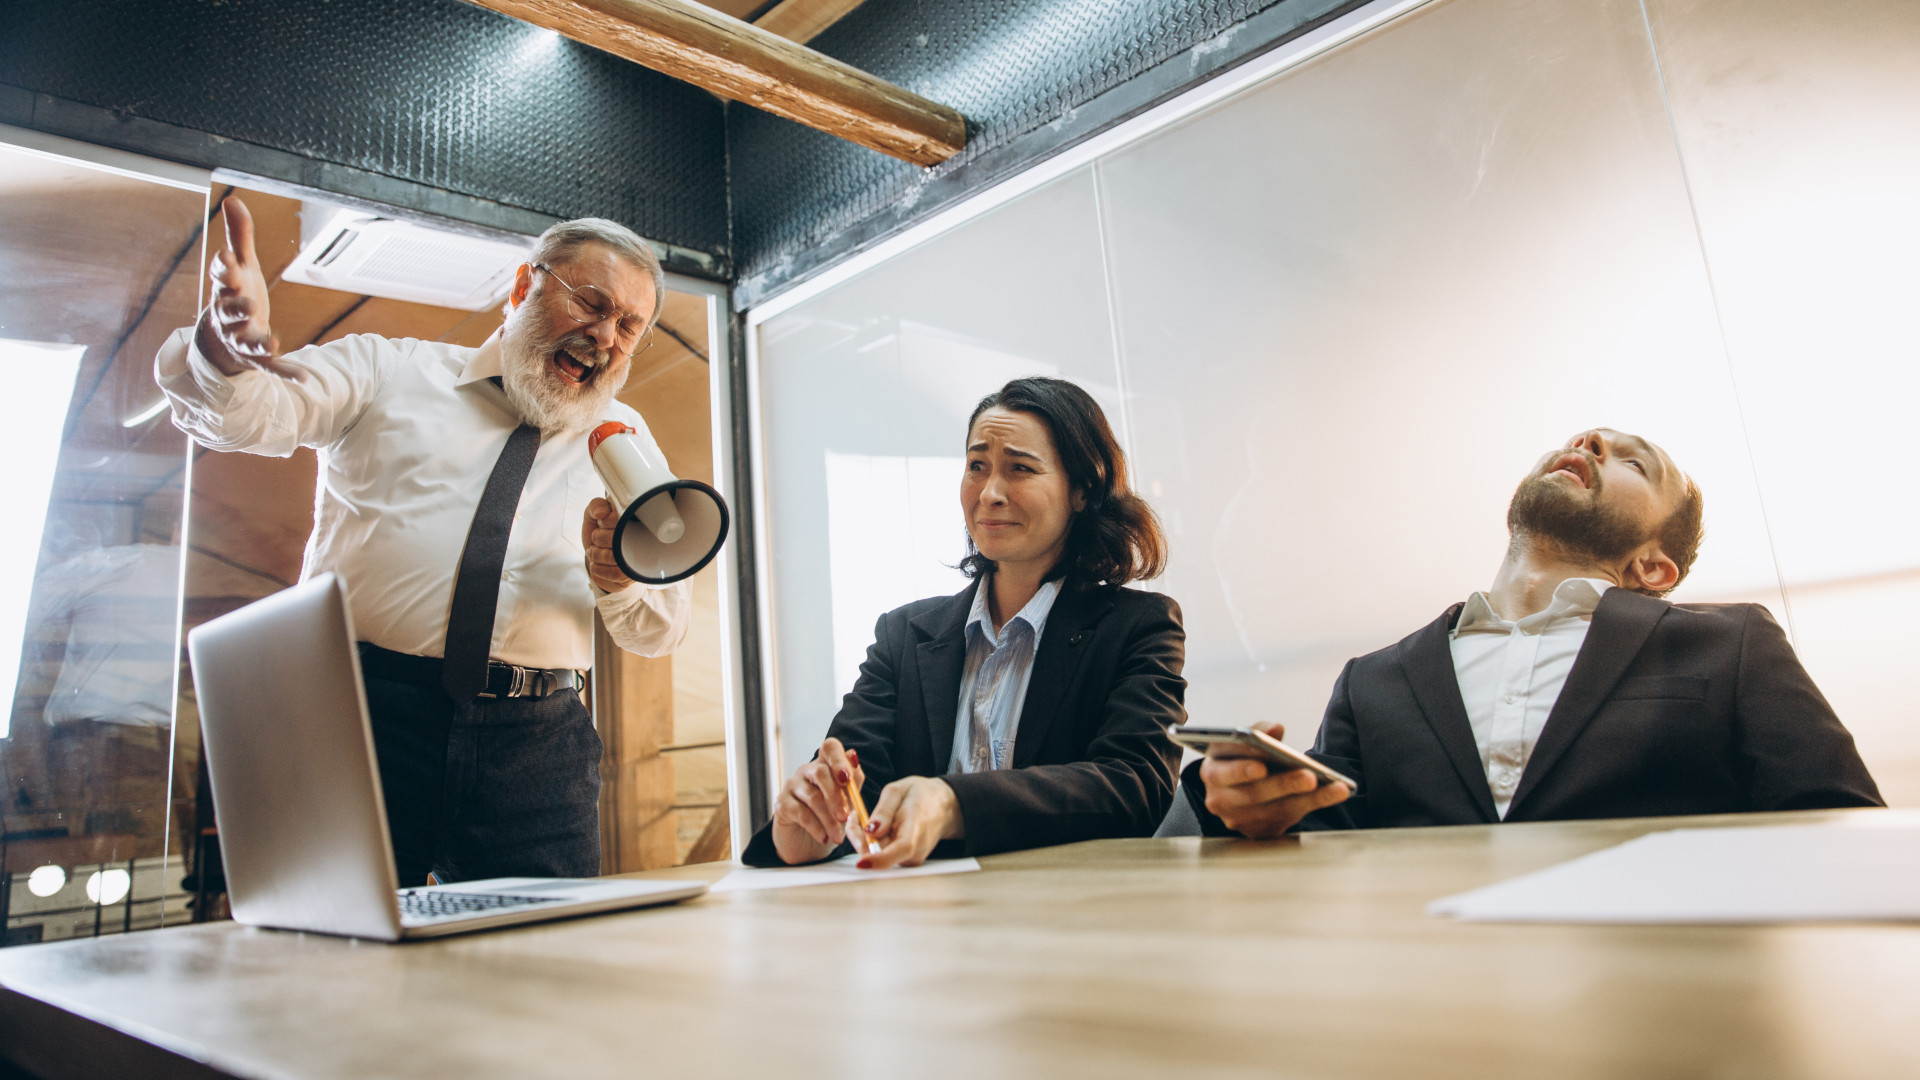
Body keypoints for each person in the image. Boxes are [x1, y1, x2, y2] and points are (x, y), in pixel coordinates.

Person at [157, 198, 693, 884]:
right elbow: (249, 416)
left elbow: (661, 630)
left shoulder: (625, 437)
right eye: (591, 303)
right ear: (525, 287)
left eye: (629, 326)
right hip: (362, 721)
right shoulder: (388, 372)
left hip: (539, 749)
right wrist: (225, 357)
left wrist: (620, 580)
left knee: (541, 971)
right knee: (337, 955)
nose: (605, 337)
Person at [1166, 428, 1882, 839]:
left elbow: (1842, 830)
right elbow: (1321, 837)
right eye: (1585, 439)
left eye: (1633, 462)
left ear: (1653, 567)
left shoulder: (1732, 644)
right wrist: (1246, 801)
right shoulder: (1373, 678)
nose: (1591, 441)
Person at [743, 378, 1186, 868]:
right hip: (930, 926)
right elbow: (852, 791)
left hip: (1071, 919)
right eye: (977, 466)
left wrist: (954, 803)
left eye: (1019, 468)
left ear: (1081, 490)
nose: (990, 492)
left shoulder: (1138, 625)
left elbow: (1136, 789)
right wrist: (807, 827)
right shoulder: (904, 635)